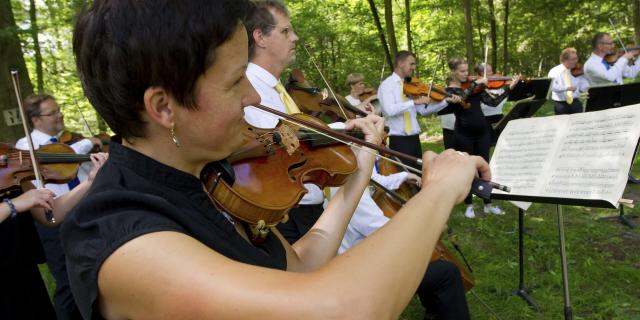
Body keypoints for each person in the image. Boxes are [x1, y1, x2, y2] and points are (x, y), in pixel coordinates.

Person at [60, 1, 490, 319]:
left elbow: (300, 266)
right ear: (164, 107)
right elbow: (342, 310)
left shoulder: (206, 176)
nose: (252, 98)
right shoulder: (127, 238)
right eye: (234, 83)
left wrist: (357, 175)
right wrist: (434, 195)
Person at [243, 0, 342, 244]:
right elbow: (285, 147)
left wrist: (344, 129)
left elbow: (297, 131)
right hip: (288, 217)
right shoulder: (252, 88)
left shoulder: (277, 89)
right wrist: (338, 134)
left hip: (303, 210)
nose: (295, 37)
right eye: (285, 31)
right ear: (260, 38)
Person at [335, 168, 470, 319]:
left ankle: (435, 313)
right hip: (365, 276)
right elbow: (389, 234)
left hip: (360, 261)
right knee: (447, 272)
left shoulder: (343, 180)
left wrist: (406, 175)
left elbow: (374, 180)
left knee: (424, 262)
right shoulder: (353, 195)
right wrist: (428, 218)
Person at [15, 93, 104, 320]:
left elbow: (78, 170)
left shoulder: (64, 142)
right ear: (36, 120)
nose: (59, 114)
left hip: (82, 214)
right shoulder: (27, 146)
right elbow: (62, 157)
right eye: (52, 112)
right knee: (68, 284)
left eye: (58, 109)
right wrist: (88, 142)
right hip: (54, 221)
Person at [1, 153, 107, 320]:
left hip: (22, 273)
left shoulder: (7, 170)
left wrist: (89, 181)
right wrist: (13, 204)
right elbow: (20, 202)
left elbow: (50, 215)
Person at [445, 58, 520, 218]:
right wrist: (475, 84)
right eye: (462, 71)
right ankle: (469, 204)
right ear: (453, 72)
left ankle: (488, 203)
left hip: (482, 133)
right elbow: (463, 97)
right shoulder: (450, 91)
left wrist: (510, 88)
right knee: (467, 169)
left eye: (467, 70)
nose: (467, 74)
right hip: (464, 135)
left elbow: (493, 102)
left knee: (485, 168)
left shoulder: (477, 88)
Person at [378, 51, 462, 164]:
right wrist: (413, 102)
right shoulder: (386, 85)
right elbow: (389, 110)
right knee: (405, 175)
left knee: (418, 174)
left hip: (414, 138)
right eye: (411, 64)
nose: (414, 67)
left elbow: (422, 110)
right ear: (400, 63)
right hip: (399, 140)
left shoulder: (411, 85)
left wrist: (446, 101)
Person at [548, 48, 588, 115]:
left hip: (576, 103)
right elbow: (552, 87)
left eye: (576, 58)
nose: (576, 61)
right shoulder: (554, 71)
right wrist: (567, 88)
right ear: (564, 60)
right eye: (573, 59)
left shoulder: (578, 70)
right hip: (561, 105)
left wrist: (587, 78)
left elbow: (582, 88)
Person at [476, 63, 508, 144]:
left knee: (502, 144)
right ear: (482, 74)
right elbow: (492, 103)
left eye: (491, 71)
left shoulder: (498, 86)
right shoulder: (478, 88)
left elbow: (501, 102)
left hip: (499, 118)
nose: (492, 73)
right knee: (487, 144)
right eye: (489, 71)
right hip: (484, 120)